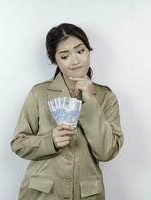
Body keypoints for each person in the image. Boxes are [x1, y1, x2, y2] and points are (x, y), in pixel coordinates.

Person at [11, 23, 124, 200]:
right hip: (42, 194)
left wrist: (90, 102)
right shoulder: (39, 94)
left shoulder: (106, 97)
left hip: (86, 194)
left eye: (80, 51)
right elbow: (18, 143)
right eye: (65, 56)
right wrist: (50, 142)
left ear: (88, 51)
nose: (76, 61)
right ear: (55, 60)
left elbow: (107, 152)